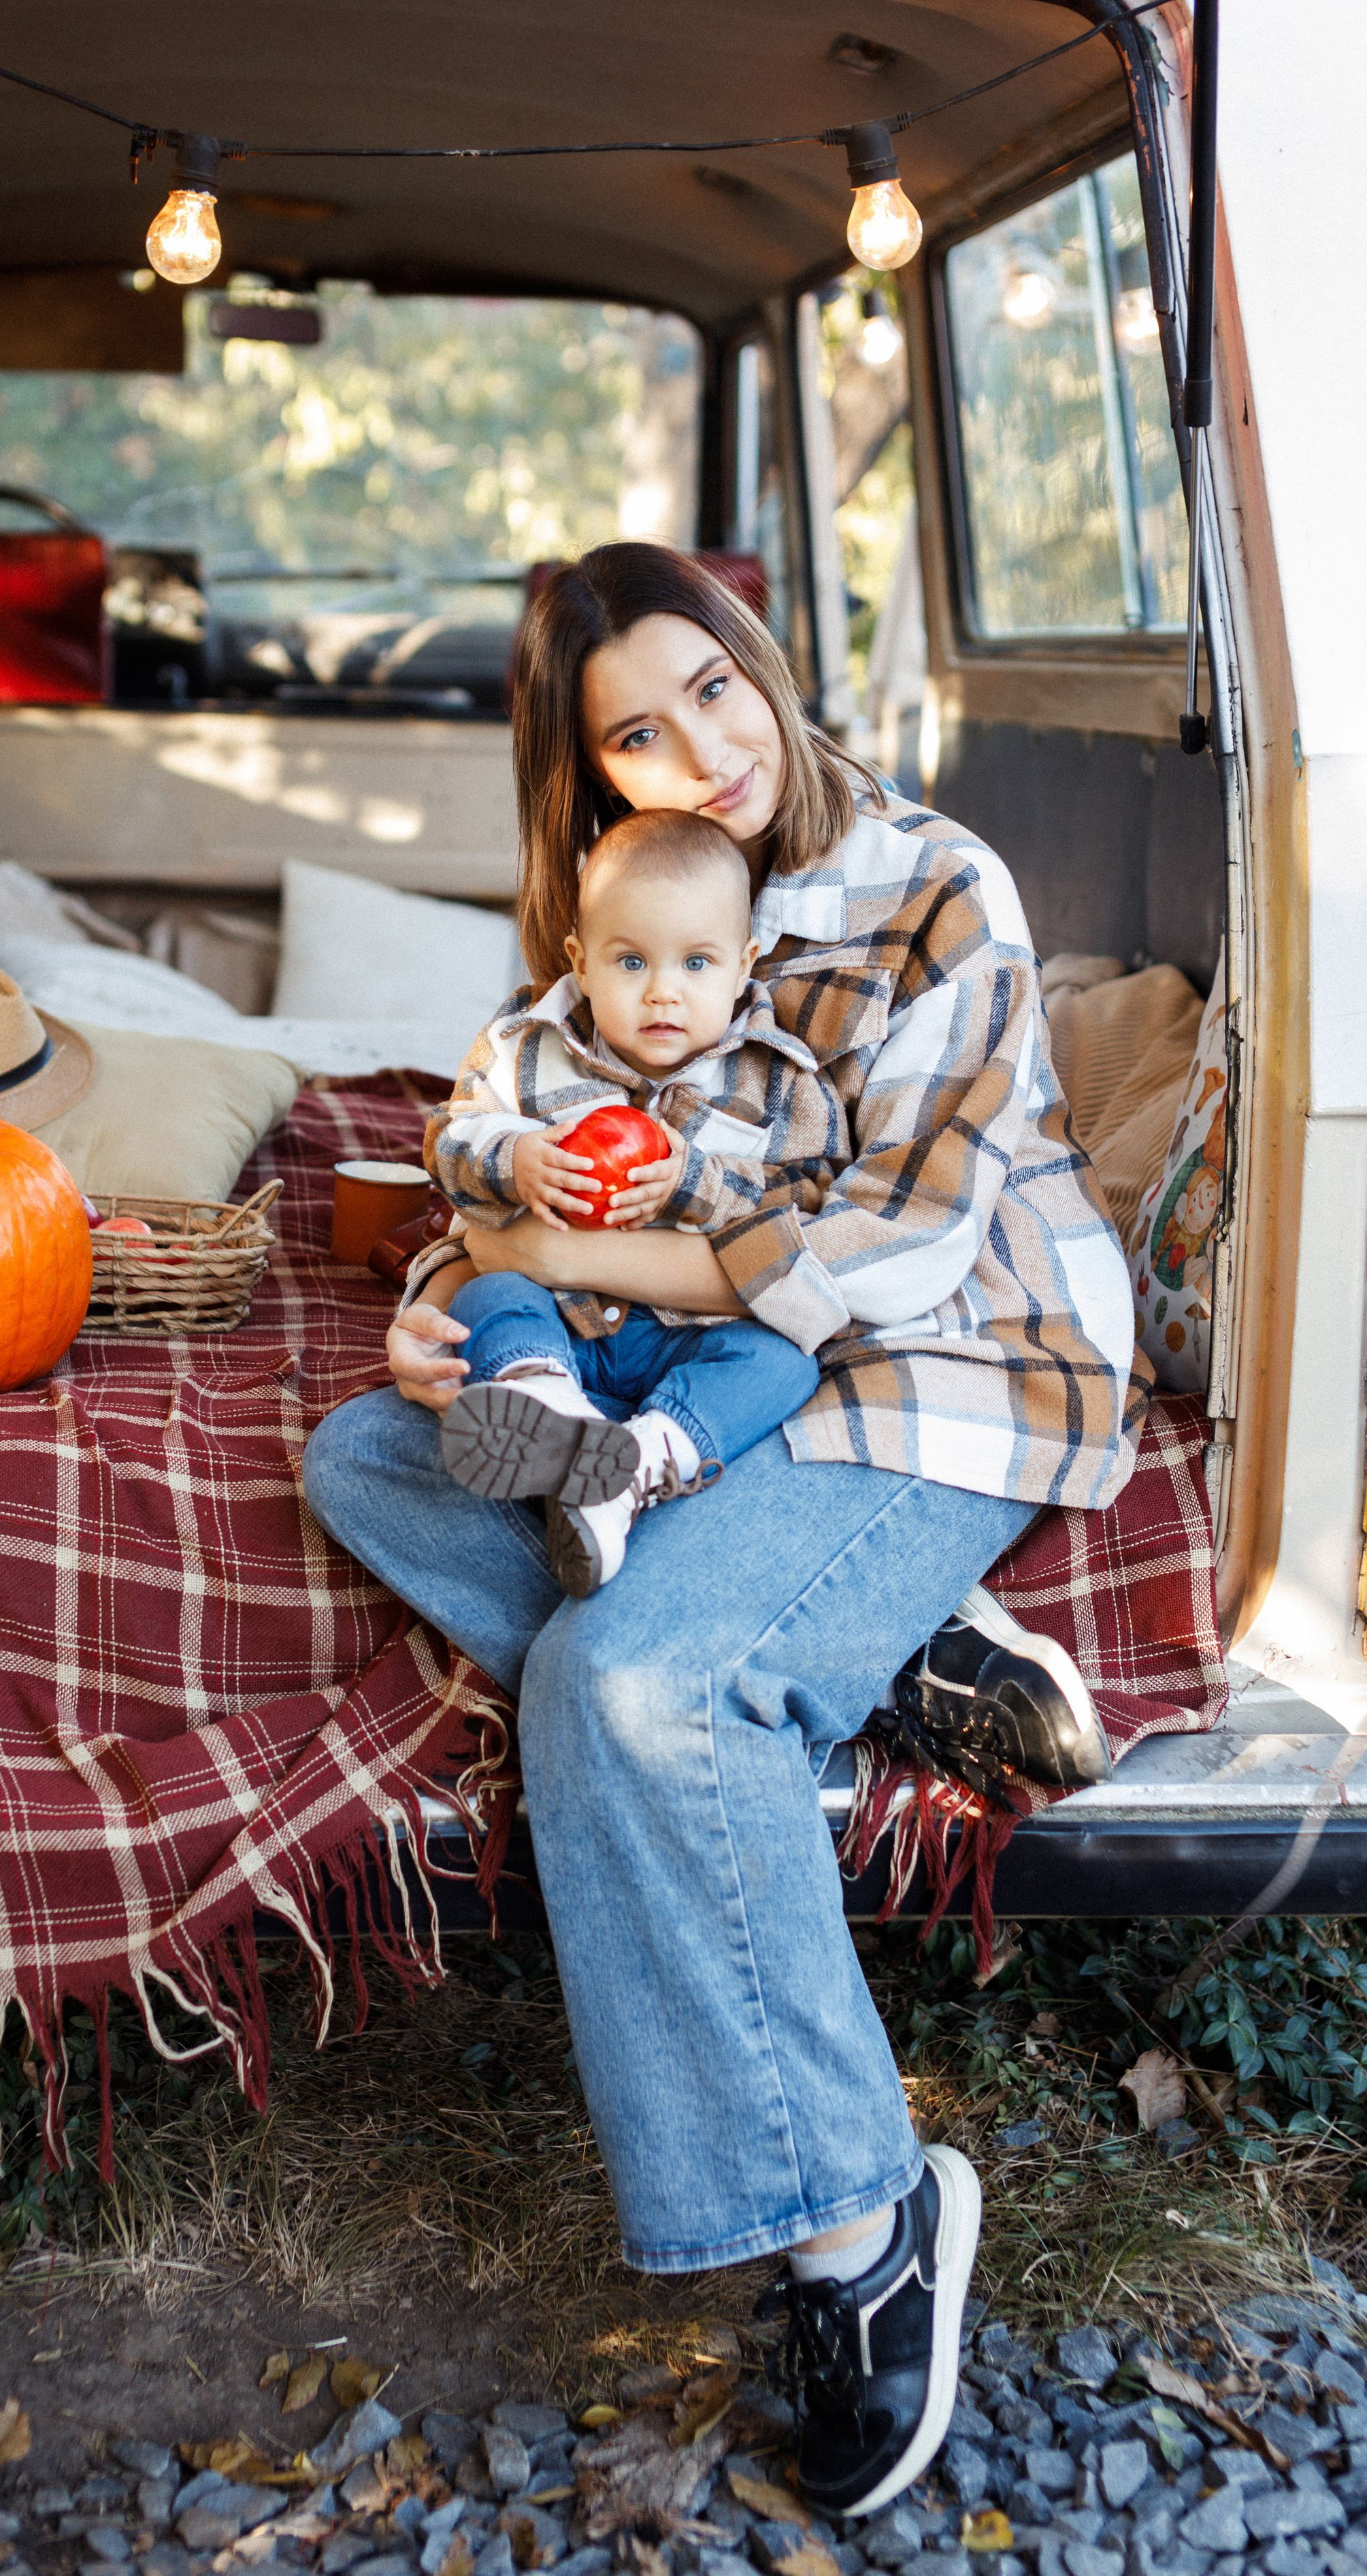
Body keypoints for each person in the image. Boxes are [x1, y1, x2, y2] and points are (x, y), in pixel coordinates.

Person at [303, 542, 1146, 2520]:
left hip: (944, 1357)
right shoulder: (629, 912)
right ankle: (894, 1651)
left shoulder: (935, 886)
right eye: (634, 734)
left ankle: (855, 2222)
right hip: (695, 1358)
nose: (699, 750)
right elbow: (515, 1147)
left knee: (632, 1678)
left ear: (764, 663)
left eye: (712, 687)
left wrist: (544, 1260)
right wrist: (454, 1292)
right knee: (363, 1453)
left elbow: (879, 1254)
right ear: (587, 776)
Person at [427, 804, 843, 1594]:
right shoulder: (524, 1048)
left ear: (744, 965)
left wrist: (698, 1183)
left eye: (696, 963)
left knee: (783, 1363)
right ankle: (550, 1408)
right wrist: (513, 1161)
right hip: (564, 1323)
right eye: (630, 962)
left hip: (686, 1336)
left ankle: (641, 1460)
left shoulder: (777, 1080)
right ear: (580, 963)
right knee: (489, 1296)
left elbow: (811, 1194)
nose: (662, 994)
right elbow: (447, 1142)